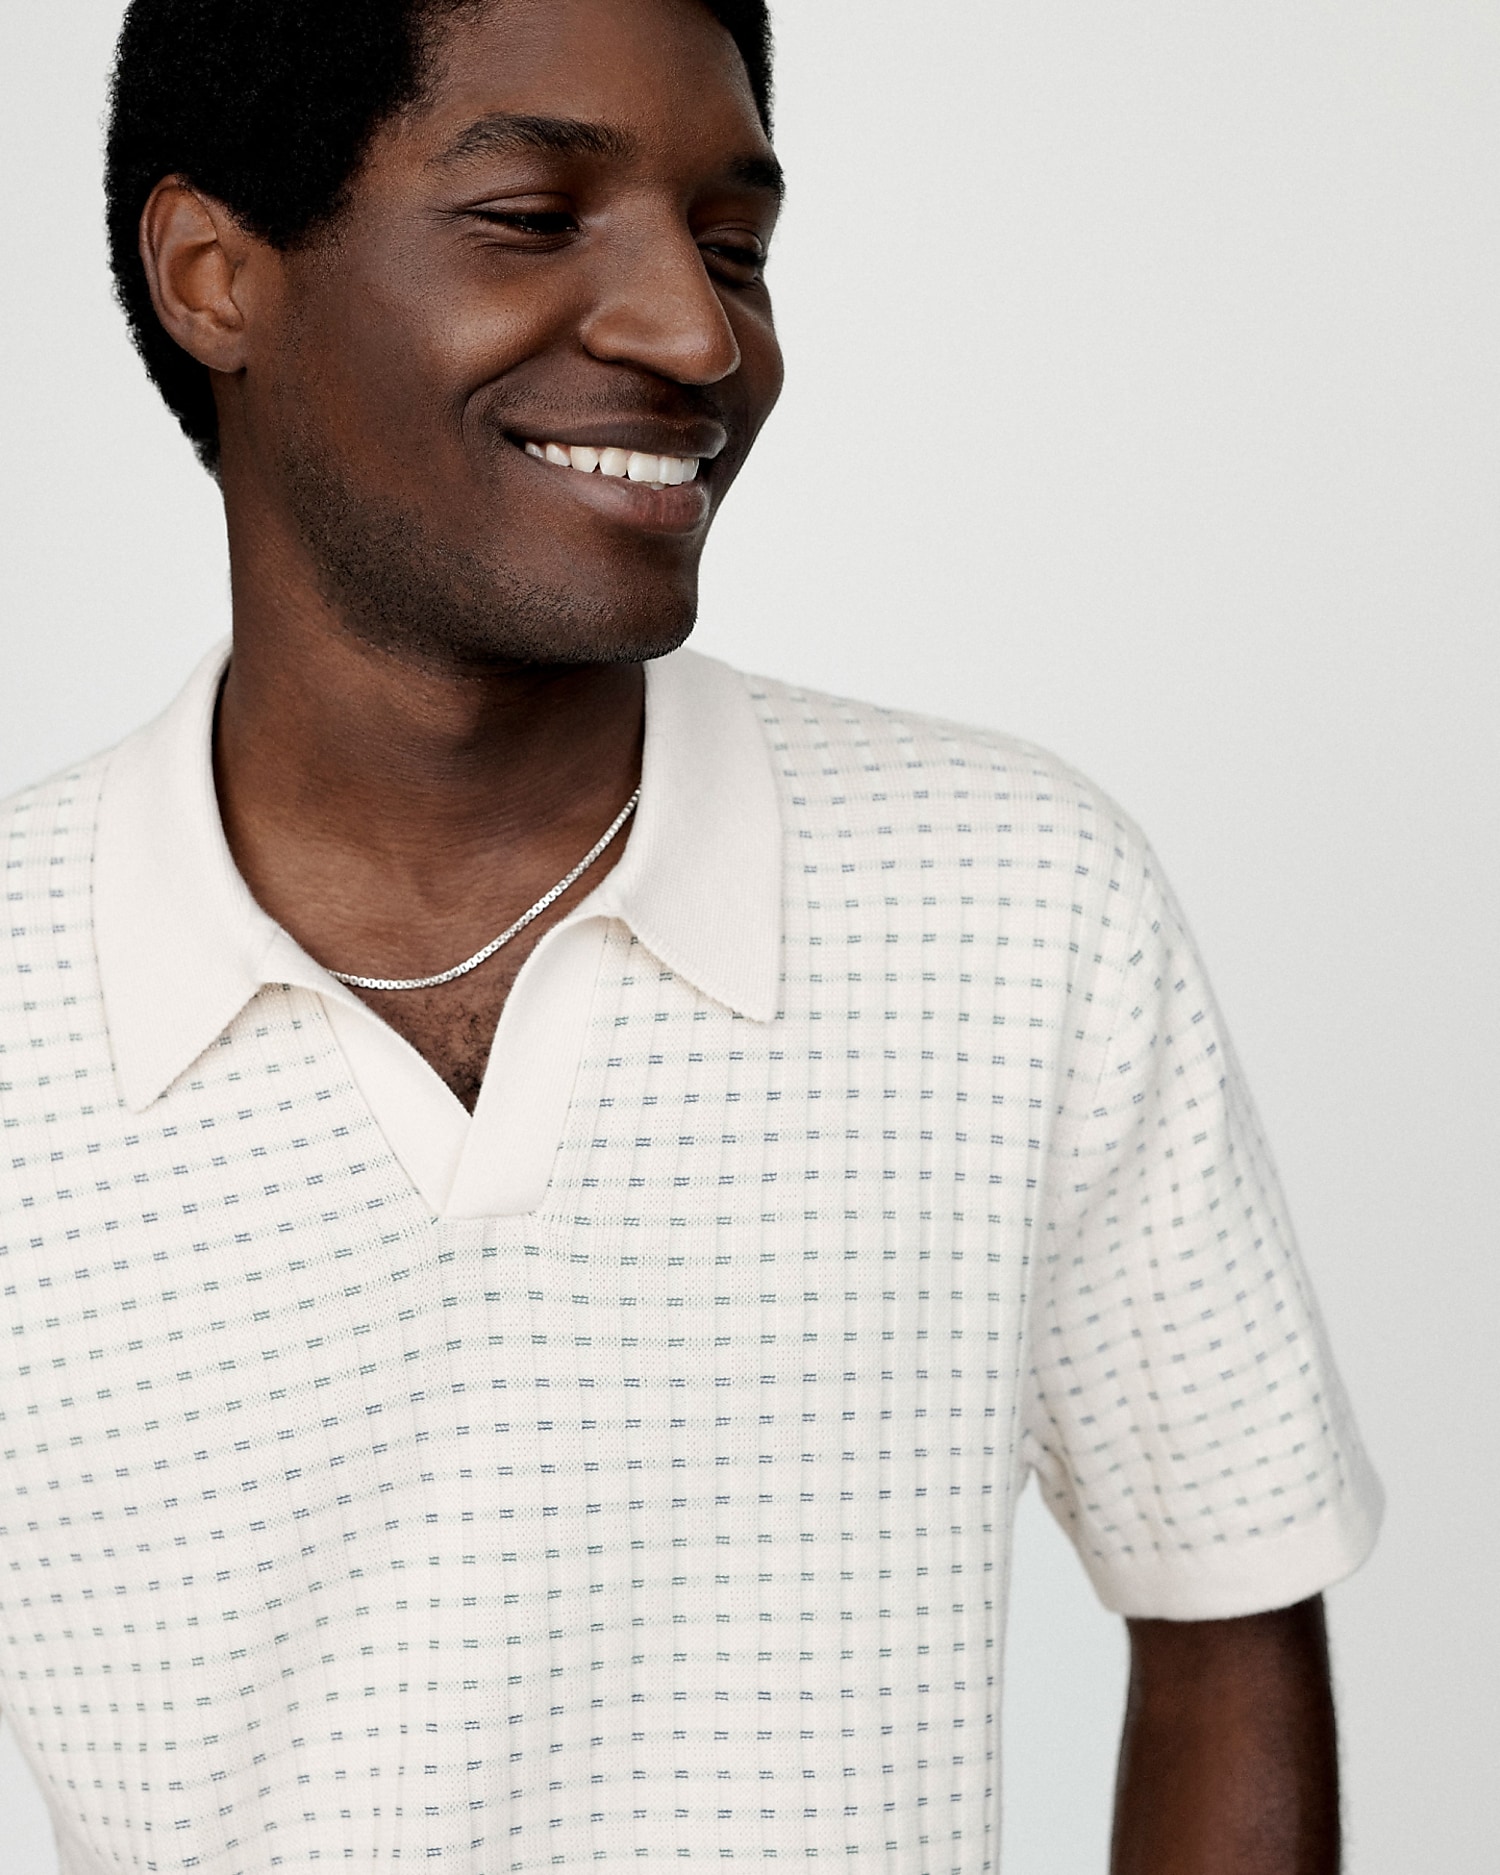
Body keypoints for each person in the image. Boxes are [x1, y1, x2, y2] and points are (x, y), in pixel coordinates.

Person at [0, 0, 1382, 1868]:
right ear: (217, 275)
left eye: (733, 246)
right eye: (535, 216)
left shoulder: (1014, 903)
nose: (695, 333)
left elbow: (1227, 1619)